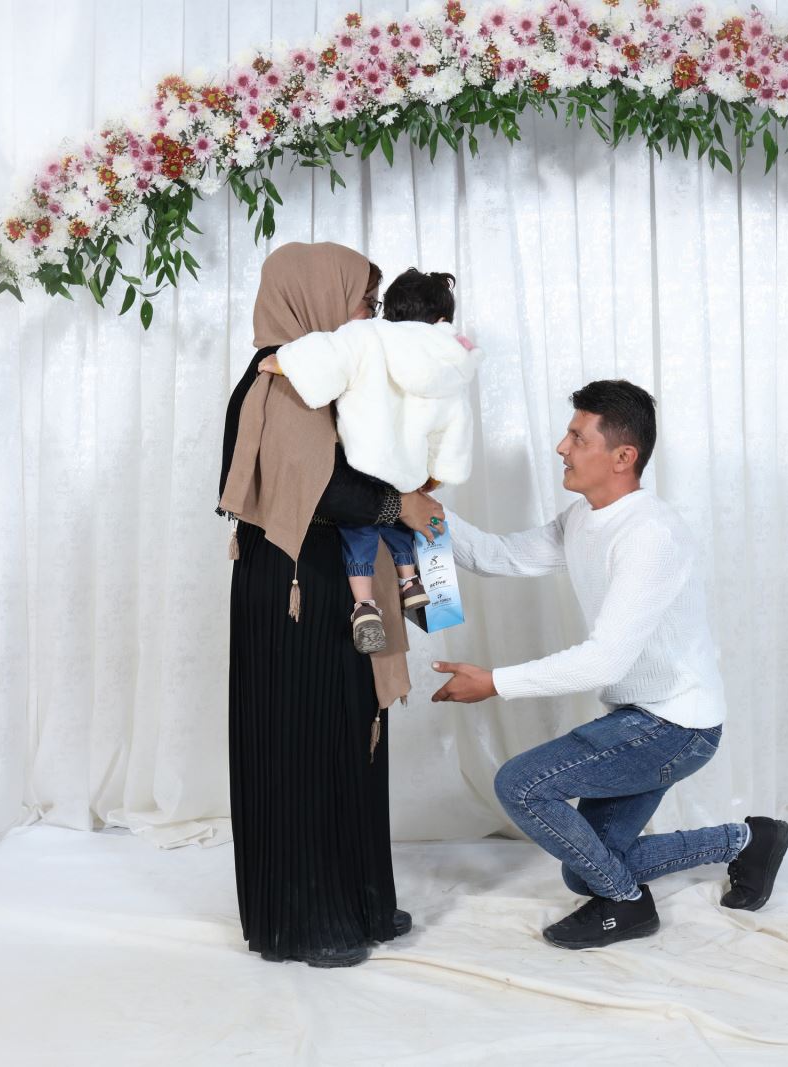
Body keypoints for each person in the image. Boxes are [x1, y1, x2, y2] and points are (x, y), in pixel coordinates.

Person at [429, 379, 788, 950]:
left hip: (674, 727)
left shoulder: (649, 535)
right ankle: (747, 841)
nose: (561, 447)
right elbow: (498, 557)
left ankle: (627, 905)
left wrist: (494, 683)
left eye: (578, 437)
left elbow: (603, 660)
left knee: (520, 785)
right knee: (587, 868)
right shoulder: (584, 517)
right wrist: (426, 513)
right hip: (636, 718)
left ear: (623, 457)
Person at [217, 242, 446, 969]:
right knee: (307, 743)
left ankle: (361, 901)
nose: (370, 319)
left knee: (353, 731)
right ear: (313, 298)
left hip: (328, 582)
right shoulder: (284, 379)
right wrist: (400, 505)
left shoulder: (326, 372)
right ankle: (310, 922)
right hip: (299, 588)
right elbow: (316, 489)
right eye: (362, 303)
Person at [257, 268, 484, 653]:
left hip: (363, 465)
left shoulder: (366, 336)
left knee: (358, 529)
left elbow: (327, 356)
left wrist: (282, 362)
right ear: (443, 320)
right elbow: (455, 425)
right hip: (408, 475)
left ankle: (364, 606)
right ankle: (410, 580)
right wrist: (435, 475)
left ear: (390, 311)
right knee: (401, 524)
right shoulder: (454, 361)